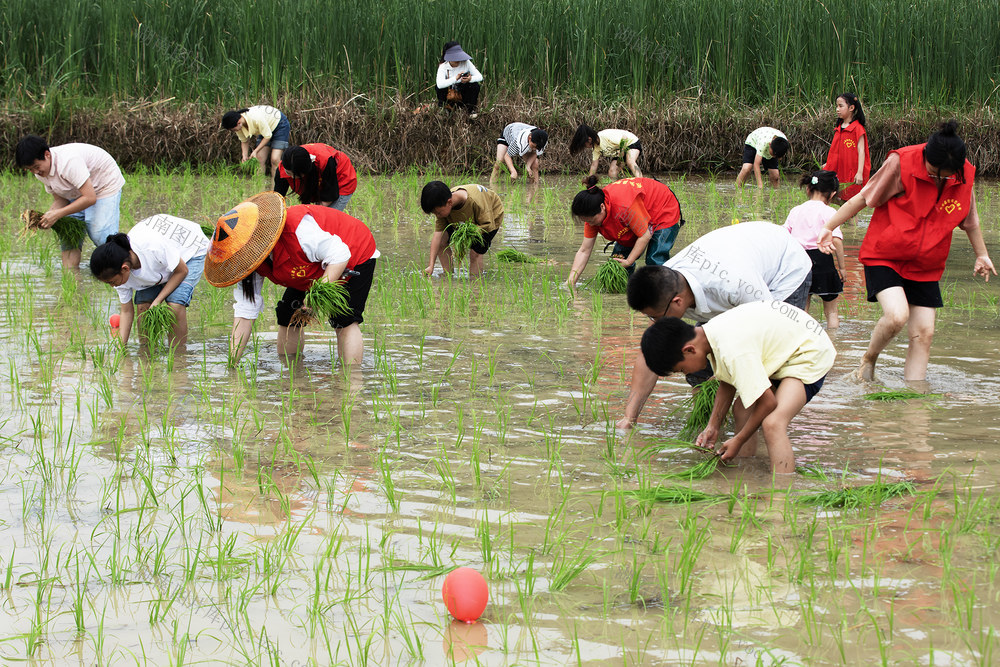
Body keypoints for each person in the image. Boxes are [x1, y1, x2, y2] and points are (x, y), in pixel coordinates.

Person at [818, 121, 995, 382]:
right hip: (885, 255)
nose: (940, 179)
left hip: (926, 264)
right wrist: (829, 227)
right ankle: (869, 359)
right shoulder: (901, 162)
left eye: (947, 175)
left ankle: (916, 395)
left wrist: (981, 254)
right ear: (926, 158)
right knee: (896, 316)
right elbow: (863, 198)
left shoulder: (963, 173)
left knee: (924, 333)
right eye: (934, 173)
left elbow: (970, 220)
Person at [618, 221, 811, 430]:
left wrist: (723, 375)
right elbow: (651, 353)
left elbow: (763, 335)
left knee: (770, 370)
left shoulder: (735, 284)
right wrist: (629, 418)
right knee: (697, 361)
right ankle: (706, 426)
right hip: (737, 260)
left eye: (656, 317)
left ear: (677, 302)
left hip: (782, 271)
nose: (655, 322)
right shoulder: (663, 285)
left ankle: (765, 433)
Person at [641, 301, 836, 474]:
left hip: (808, 351)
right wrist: (713, 426)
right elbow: (728, 381)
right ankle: (745, 469)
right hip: (782, 351)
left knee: (773, 423)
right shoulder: (712, 334)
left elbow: (768, 402)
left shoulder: (732, 350)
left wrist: (739, 440)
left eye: (682, 369)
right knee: (741, 410)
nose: (686, 373)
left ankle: (780, 493)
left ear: (689, 350)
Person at [204, 192, 379, 368]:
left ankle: (350, 378)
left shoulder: (298, 230)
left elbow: (340, 254)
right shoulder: (248, 264)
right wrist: (232, 363)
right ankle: (292, 372)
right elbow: (245, 312)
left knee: (344, 318)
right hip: (309, 266)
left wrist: (315, 297)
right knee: (288, 315)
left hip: (354, 251)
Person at [90, 215, 210, 349]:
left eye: (112, 282)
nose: (112, 286)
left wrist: (158, 300)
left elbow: (182, 271)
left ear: (125, 268)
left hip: (189, 252)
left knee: (175, 305)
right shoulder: (118, 273)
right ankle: (146, 351)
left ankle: (178, 354)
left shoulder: (152, 248)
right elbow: (126, 311)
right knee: (143, 306)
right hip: (162, 263)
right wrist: (120, 348)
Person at [15, 135, 125, 270]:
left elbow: (90, 198)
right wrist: (48, 216)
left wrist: (57, 214)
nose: (35, 172)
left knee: (99, 234)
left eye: (36, 167)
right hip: (76, 190)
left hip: (103, 185)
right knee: (69, 235)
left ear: (47, 154)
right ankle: (71, 275)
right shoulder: (41, 173)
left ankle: (121, 266)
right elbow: (61, 199)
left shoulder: (68, 162)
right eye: (30, 169)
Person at [565, 176, 683, 285]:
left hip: (662, 208)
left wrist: (629, 261)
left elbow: (645, 235)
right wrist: (570, 282)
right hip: (635, 215)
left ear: (602, 207)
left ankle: (668, 290)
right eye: (586, 221)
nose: (590, 224)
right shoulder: (591, 215)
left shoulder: (624, 206)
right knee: (616, 265)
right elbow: (584, 250)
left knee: (654, 260)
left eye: (592, 221)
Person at [783, 170, 845, 328]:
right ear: (832, 194)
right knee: (832, 312)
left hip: (799, 261)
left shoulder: (796, 210)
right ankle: (833, 340)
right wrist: (842, 268)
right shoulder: (830, 211)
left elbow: (784, 237)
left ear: (808, 189)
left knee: (802, 310)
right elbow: (836, 241)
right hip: (823, 260)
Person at [420, 181, 504, 277]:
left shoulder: (475, 202)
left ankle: (475, 281)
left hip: (489, 218)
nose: (437, 216)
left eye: (438, 213)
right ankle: (448, 276)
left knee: (475, 253)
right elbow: (437, 236)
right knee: (442, 242)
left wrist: (467, 234)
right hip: (463, 220)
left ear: (449, 202)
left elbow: (488, 225)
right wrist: (431, 266)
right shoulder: (443, 205)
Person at [274, 144, 357, 211]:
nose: (292, 177)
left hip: (341, 178)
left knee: (328, 218)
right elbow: (277, 199)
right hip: (318, 175)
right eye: (289, 173)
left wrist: (314, 213)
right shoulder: (285, 166)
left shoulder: (325, 162)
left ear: (306, 170)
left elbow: (329, 197)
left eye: (296, 175)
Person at [221, 105, 291, 181]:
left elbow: (267, 136)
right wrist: (244, 156)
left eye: (233, 130)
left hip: (279, 124)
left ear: (239, 122)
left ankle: (276, 185)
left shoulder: (256, 118)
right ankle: (259, 185)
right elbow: (244, 140)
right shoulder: (238, 126)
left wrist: (255, 151)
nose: (234, 131)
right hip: (264, 128)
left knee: (275, 159)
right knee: (259, 159)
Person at [823, 93, 871, 202]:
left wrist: (859, 172)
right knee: (829, 194)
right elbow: (836, 150)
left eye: (841, 106)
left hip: (851, 171)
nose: (837, 109)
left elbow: (861, 151)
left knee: (850, 200)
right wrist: (829, 163)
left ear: (851, 108)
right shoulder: (839, 128)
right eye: (837, 106)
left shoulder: (857, 128)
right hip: (839, 169)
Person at [569, 125, 643, 179]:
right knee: (612, 171)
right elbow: (594, 165)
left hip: (631, 142)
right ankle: (616, 190)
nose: (585, 147)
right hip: (620, 151)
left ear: (589, 139)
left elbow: (625, 138)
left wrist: (621, 156)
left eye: (584, 145)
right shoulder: (596, 149)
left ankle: (641, 182)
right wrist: (589, 181)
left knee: (630, 161)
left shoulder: (605, 136)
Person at [435, 41, 483, 117]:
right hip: (450, 94)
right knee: (439, 88)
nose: (457, 60)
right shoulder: (443, 67)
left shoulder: (466, 62)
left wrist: (469, 79)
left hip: (463, 93)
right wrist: (455, 79)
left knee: (475, 85)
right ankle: (444, 109)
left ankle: (470, 110)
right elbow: (440, 84)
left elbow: (480, 77)